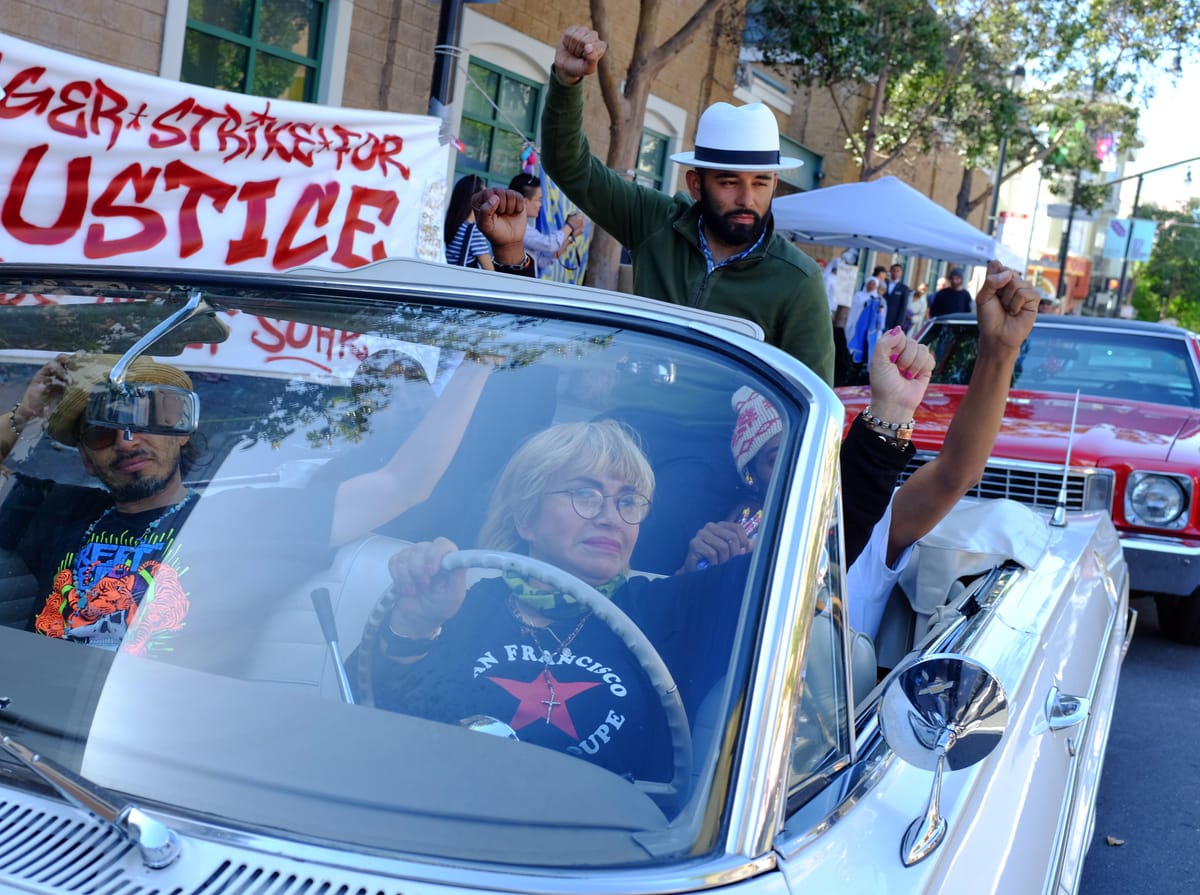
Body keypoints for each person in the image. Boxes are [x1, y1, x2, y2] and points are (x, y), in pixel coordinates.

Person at [0, 350, 495, 659]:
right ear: (86, 459)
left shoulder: (235, 519)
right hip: (32, 733)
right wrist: (23, 415)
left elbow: (403, 484)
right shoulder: (58, 511)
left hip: (143, 745)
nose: (128, 441)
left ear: (181, 433)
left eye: (148, 417)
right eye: (104, 432)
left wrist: (484, 355)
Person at [356, 419, 745, 780]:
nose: (610, 516)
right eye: (585, 494)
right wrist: (416, 623)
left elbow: (800, 553)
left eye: (627, 501)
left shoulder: (670, 610)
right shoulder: (463, 604)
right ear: (525, 518)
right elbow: (371, 724)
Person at [540, 26, 834, 385]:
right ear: (696, 184)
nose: (747, 199)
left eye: (761, 182)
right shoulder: (654, 222)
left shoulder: (798, 280)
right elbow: (570, 168)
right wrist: (567, 83)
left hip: (724, 442)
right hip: (631, 429)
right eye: (728, 182)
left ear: (774, 184)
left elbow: (813, 394)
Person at [847, 260, 1038, 638]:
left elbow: (956, 475)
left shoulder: (854, 529)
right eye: (768, 461)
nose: (787, 472)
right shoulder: (705, 545)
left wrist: (999, 351)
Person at [678, 326, 933, 575]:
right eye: (776, 457)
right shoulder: (715, 521)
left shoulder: (824, 530)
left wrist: (893, 407)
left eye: (803, 450)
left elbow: (860, 496)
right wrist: (692, 570)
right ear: (751, 476)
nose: (795, 466)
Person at [508, 172, 585, 275]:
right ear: (525, 202)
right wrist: (570, 226)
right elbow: (549, 244)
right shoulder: (516, 227)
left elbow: (541, 262)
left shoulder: (523, 227)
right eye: (539, 200)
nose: (541, 205)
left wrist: (571, 237)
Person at [444, 174, 495, 270]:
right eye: (484, 195)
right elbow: (490, 270)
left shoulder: (450, 224)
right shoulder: (474, 231)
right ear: (475, 199)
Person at [883, 263, 912, 331]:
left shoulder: (904, 288)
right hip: (881, 318)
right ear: (890, 271)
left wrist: (898, 325)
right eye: (894, 270)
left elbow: (903, 308)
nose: (895, 273)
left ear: (901, 273)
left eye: (898, 271)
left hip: (893, 321)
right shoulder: (884, 284)